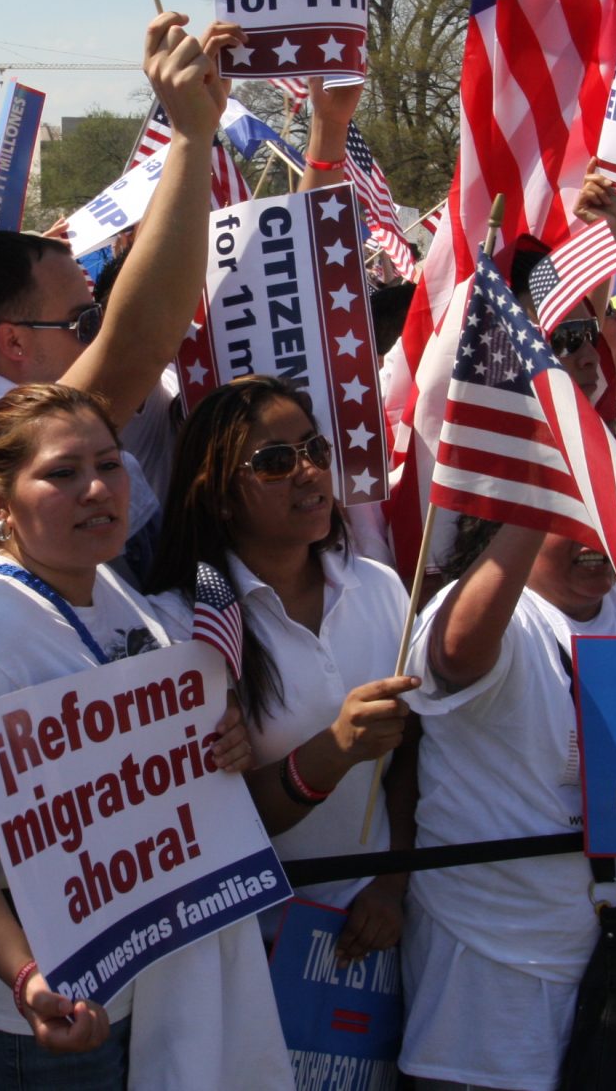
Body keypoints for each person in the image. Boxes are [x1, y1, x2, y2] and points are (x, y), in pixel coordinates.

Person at [0, 383, 290, 1090]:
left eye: (109, 464)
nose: (95, 488)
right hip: (27, 1030)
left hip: (141, 998)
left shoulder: (114, 589)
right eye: (61, 472)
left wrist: (218, 744)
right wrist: (28, 978)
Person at [0, 15, 241, 595]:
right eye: (86, 322)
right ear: (13, 341)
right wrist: (191, 135)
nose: (99, 335)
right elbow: (138, 339)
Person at [397, 513, 616, 1090]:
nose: (596, 540)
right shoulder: (494, 616)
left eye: (606, 514)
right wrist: (532, 493)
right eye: (573, 515)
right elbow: (456, 655)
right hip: (500, 992)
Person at [142, 376, 416, 953]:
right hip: (253, 948)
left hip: (379, 932)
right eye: (273, 462)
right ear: (217, 495)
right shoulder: (180, 627)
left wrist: (390, 885)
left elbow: (415, 758)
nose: (308, 471)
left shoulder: (382, 589)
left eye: (315, 449)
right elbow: (209, 818)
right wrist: (332, 750)